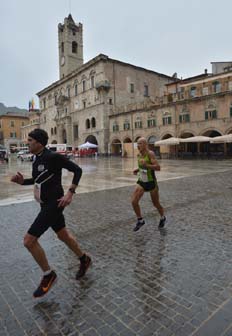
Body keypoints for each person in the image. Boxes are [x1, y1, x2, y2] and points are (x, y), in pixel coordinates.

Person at [11, 129, 91, 298]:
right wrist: (22, 181)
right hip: (45, 203)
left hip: (55, 203)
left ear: (39, 142)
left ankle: (49, 274)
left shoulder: (53, 157)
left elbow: (78, 170)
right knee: (64, 236)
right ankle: (84, 259)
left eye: (30, 140)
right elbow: (38, 179)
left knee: (29, 240)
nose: (28, 143)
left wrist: (70, 192)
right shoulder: (37, 158)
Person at [131, 137, 166, 232]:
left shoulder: (150, 154)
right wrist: (137, 169)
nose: (138, 146)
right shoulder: (138, 155)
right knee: (134, 201)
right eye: (137, 144)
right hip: (142, 181)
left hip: (151, 182)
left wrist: (147, 165)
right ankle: (140, 220)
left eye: (140, 143)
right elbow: (142, 166)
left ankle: (163, 217)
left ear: (145, 144)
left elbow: (158, 167)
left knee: (156, 203)